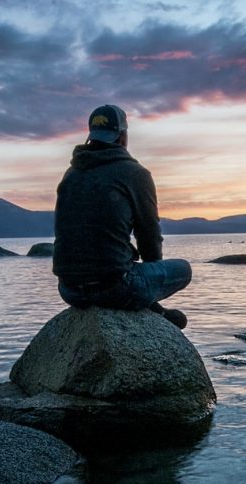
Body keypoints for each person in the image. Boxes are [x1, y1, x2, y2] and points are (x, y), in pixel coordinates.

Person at [52, 104, 191, 329]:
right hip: (114, 288)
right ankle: (152, 308)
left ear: (91, 136)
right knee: (183, 269)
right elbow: (149, 234)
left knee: (125, 266)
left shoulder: (71, 174)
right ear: (122, 136)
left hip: (69, 290)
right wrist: (150, 275)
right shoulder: (134, 173)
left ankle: (153, 309)